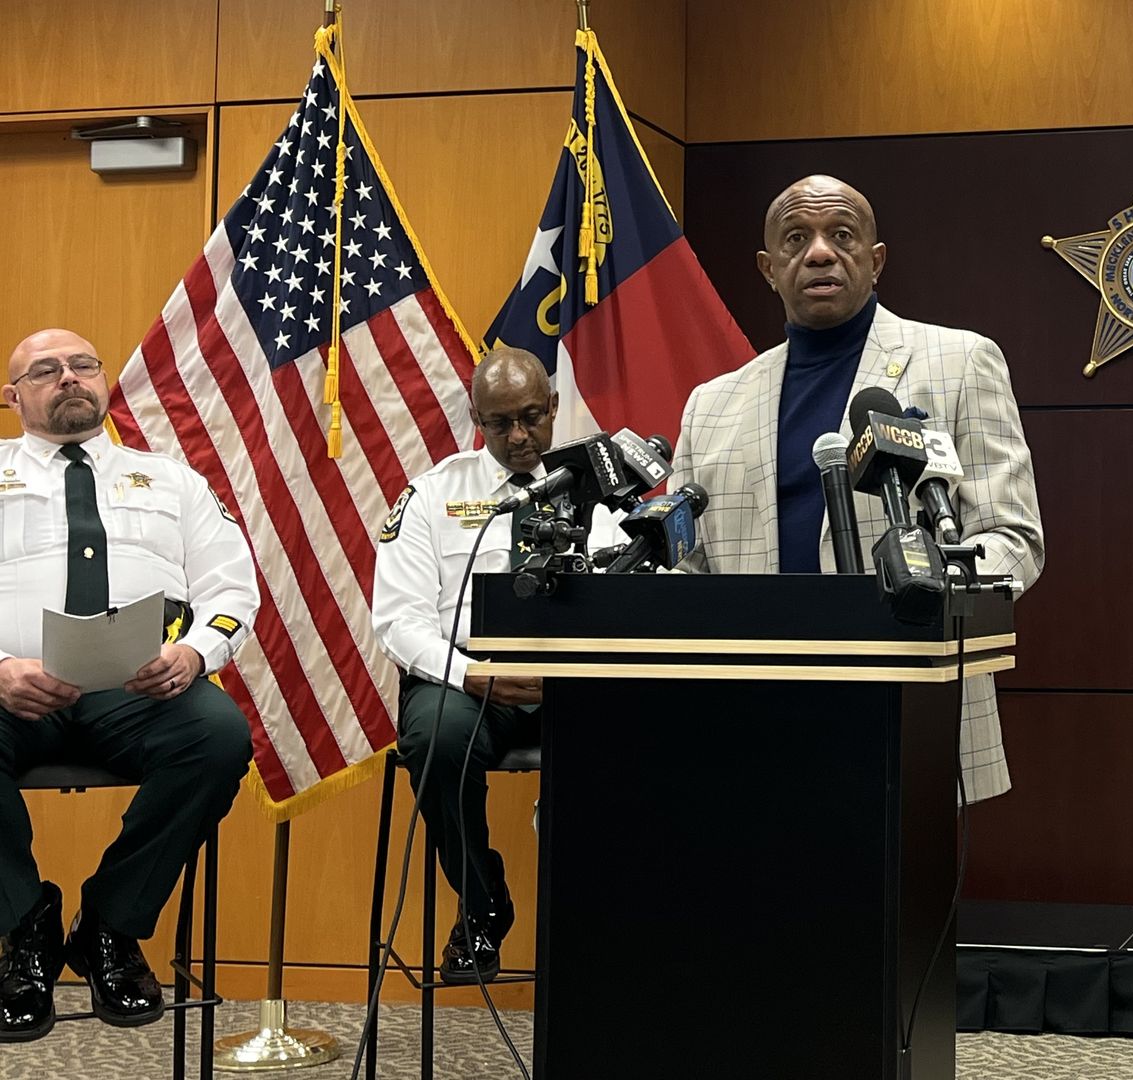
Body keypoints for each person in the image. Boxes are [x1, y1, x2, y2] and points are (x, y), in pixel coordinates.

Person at [673, 174, 1043, 802]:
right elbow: (687, 566)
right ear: (769, 268)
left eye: (841, 235)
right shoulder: (711, 405)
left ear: (876, 261)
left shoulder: (959, 362)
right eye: (796, 239)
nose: (819, 252)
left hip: (906, 694)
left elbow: (1013, 539)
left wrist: (933, 593)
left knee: (900, 897)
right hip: (754, 712)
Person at [0, 329, 259, 1041]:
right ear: (12, 395)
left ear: (104, 378)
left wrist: (198, 654)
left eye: (84, 364)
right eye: (45, 370)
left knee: (217, 734)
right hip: (12, 687)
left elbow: (232, 587)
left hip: (140, 687)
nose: (70, 378)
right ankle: (23, 931)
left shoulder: (173, 479)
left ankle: (110, 926)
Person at [371, 347, 620, 983]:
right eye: (499, 423)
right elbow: (398, 620)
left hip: (573, 677)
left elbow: (639, 595)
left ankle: (611, 924)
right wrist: (470, 674)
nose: (518, 436)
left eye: (532, 417)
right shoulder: (432, 495)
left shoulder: (600, 493)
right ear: (476, 419)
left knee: (640, 738)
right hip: (469, 677)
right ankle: (482, 905)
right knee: (435, 738)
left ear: (554, 408)